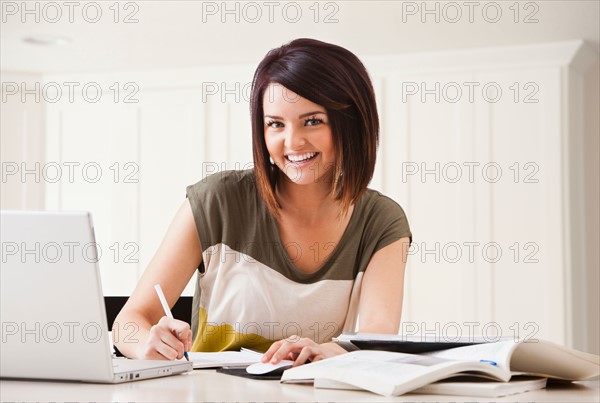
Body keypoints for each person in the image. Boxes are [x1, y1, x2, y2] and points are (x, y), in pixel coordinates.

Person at [113, 38, 412, 367]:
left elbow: (378, 333)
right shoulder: (217, 201)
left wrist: (332, 352)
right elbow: (128, 323)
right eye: (276, 124)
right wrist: (145, 343)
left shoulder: (381, 220)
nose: (293, 142)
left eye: (312, 121)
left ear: (352, 123)